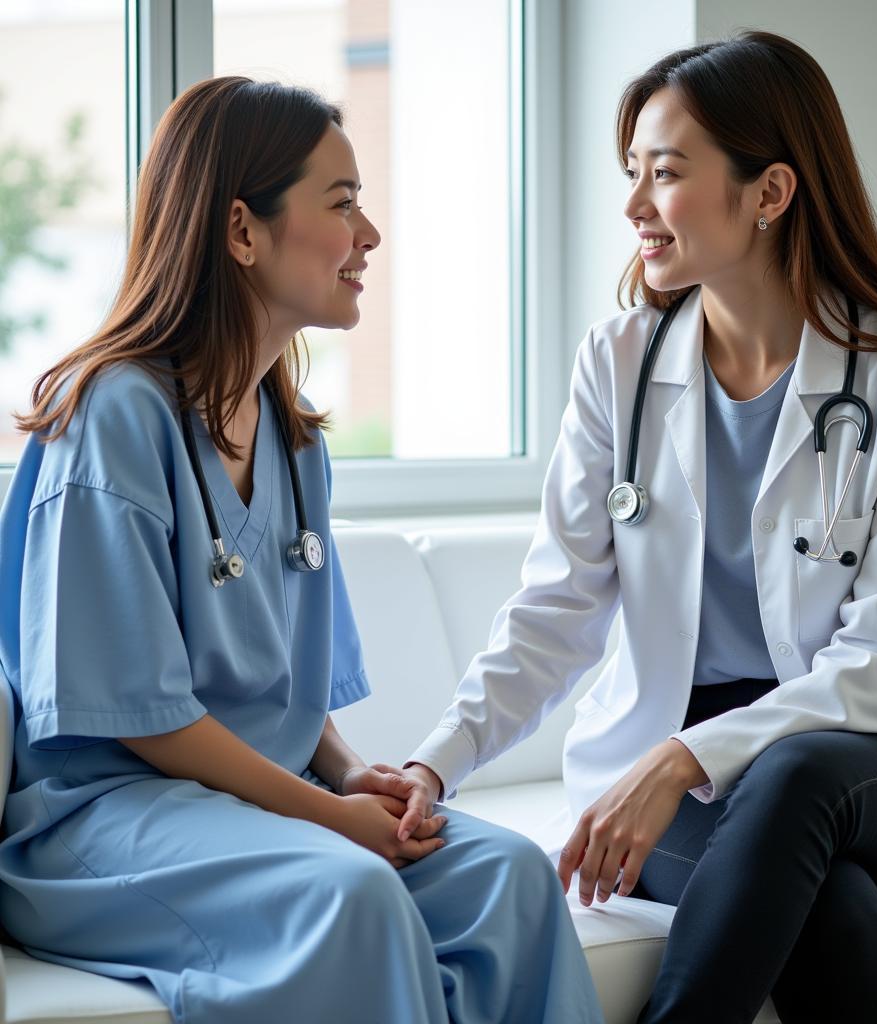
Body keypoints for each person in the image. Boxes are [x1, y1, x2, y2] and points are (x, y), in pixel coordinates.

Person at [394, 31, 877, 1024]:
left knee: (794, 775)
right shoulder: (620, 363)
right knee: (829, 914)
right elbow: (556, 607)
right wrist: (436, 759)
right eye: (632, 173)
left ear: (769, 192)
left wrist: (685, 760)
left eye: (666, 173)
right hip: (687, 767)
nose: (634, 204)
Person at [0, 77, 604, 1024]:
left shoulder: (293, 435)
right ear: (242, 231)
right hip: (110, 815)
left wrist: (350, 771)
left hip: (251, 807)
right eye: (343, 204)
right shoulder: (112, 415)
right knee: (353, 893)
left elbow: (286, 685)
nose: (370, 236)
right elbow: (139, 714)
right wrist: (327, 816)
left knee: (511, 877)